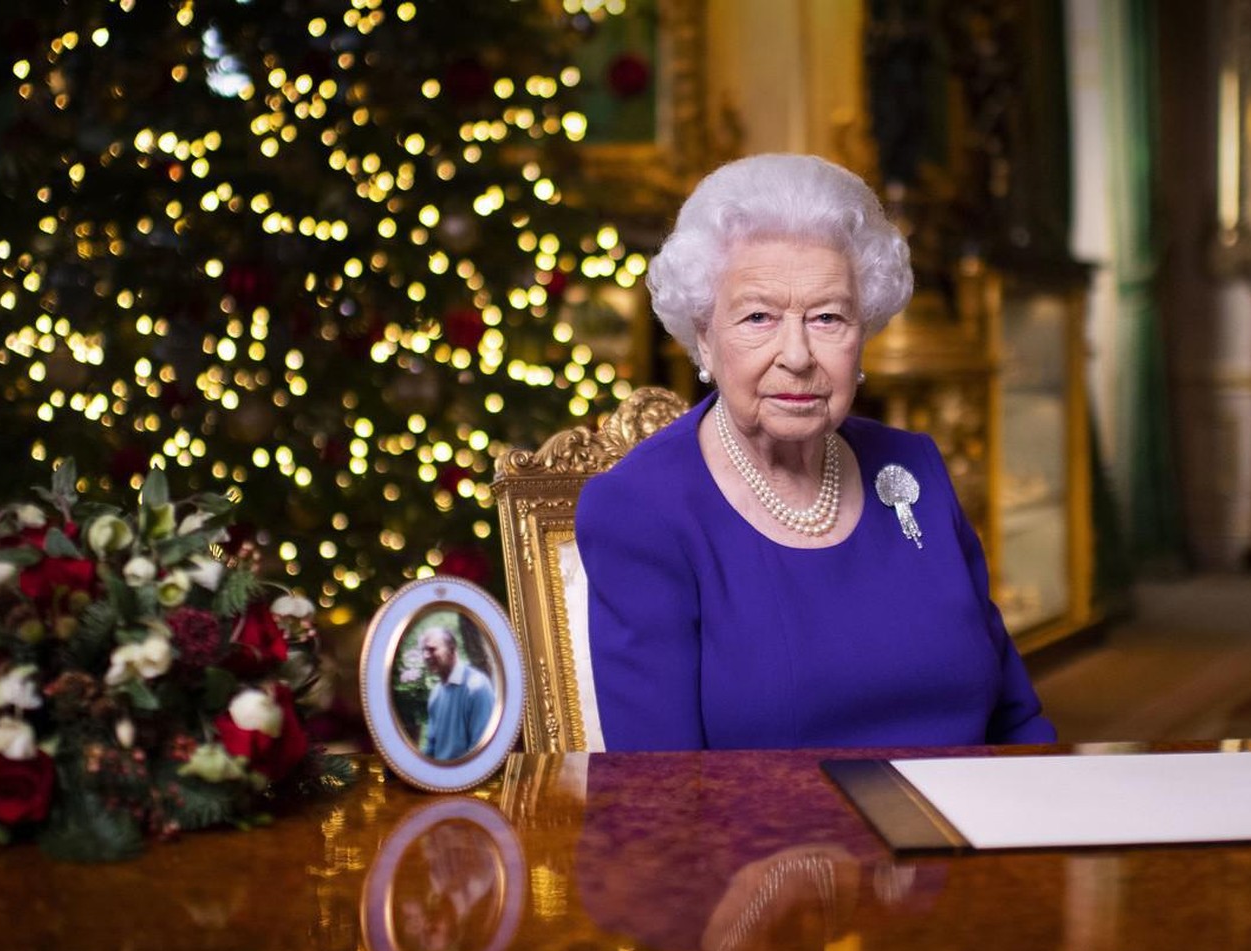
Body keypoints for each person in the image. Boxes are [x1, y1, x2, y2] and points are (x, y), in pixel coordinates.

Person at [574, 153, 1055, 750]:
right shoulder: (640, 510)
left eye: (828, 317)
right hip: (772, 844)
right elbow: (661, 794)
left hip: (967, 831)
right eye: (758, 316)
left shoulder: (914, 469)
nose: (797, 355)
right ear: (704, 336)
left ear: (864, 334)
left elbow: (1017, 720)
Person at [420, 625, 496, 760]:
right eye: (424, 650)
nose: (426, 656)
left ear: (452, 650)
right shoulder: (436, 694)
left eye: (432, 649)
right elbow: (431, 747)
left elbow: (482, 752)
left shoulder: (476, 687)